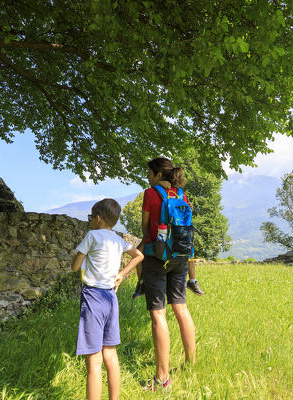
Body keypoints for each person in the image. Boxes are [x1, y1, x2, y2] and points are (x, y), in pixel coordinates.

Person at [71, 198, 144, 400]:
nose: (90, 221)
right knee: (110, 354)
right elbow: (138, 256)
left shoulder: (92, 236)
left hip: (93, 297)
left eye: (91, 218)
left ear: (99, 218)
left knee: (94, 362)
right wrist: (122, 273)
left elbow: (75, 267)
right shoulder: (117, 239)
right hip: (111, 298)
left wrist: (82, 256)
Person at [140, 157, 196, 391]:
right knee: (181, 308)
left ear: (156, 174)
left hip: (157, 256)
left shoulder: (150, 193)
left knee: (158, 315)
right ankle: (190, 364)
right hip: (181, 257)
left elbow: (145, 228)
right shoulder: (181, 194)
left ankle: (161, 379)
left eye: (149, 173)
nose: (147, 177)